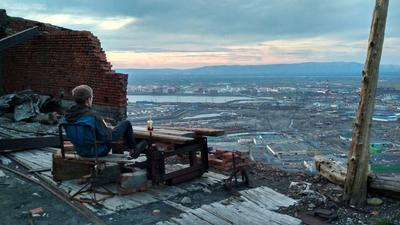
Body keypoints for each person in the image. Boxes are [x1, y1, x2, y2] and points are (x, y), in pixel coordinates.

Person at [65, 85, 146, 158]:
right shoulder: (92, 116)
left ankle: (133, 149)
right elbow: (107, 138)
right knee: (126, 123)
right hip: (98, 152)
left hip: (80, 151)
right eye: (92, 97)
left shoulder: (68, 116)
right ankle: (134, 150)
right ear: (88, 99)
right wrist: (109, 129)